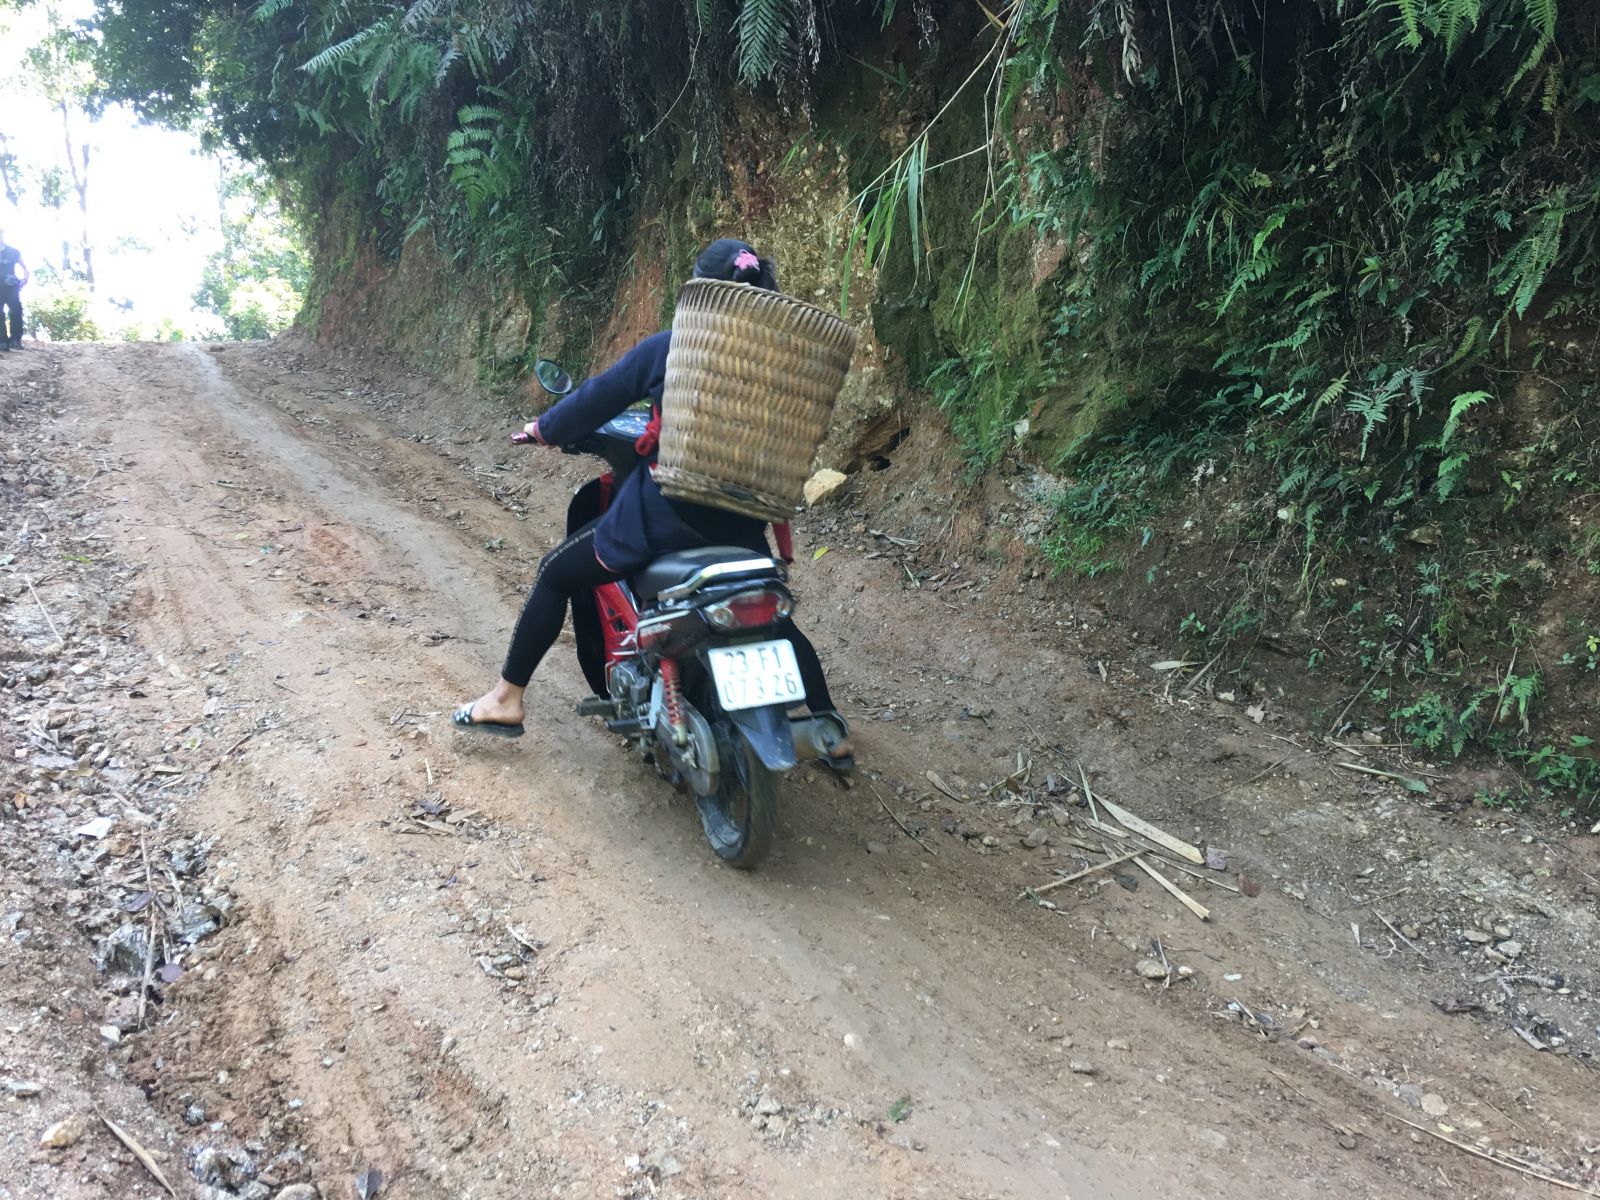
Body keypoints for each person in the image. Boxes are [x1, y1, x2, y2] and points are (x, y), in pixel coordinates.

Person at [453, 238, 848, 758]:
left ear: (701, 290)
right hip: (745, 524)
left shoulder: (676, 346)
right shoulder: (786, 365)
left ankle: (506, 698)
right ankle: (827, 723)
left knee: (556, 572)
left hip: (668, 516)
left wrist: (543, 428)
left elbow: (596, 398)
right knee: (774, 613)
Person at [0, 232, 27, 351]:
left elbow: (25, 268)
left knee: (16, 310)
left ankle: (15, 340)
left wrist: (25, 279)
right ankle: (2, 341)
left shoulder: (13, 251)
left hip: (11, 285)